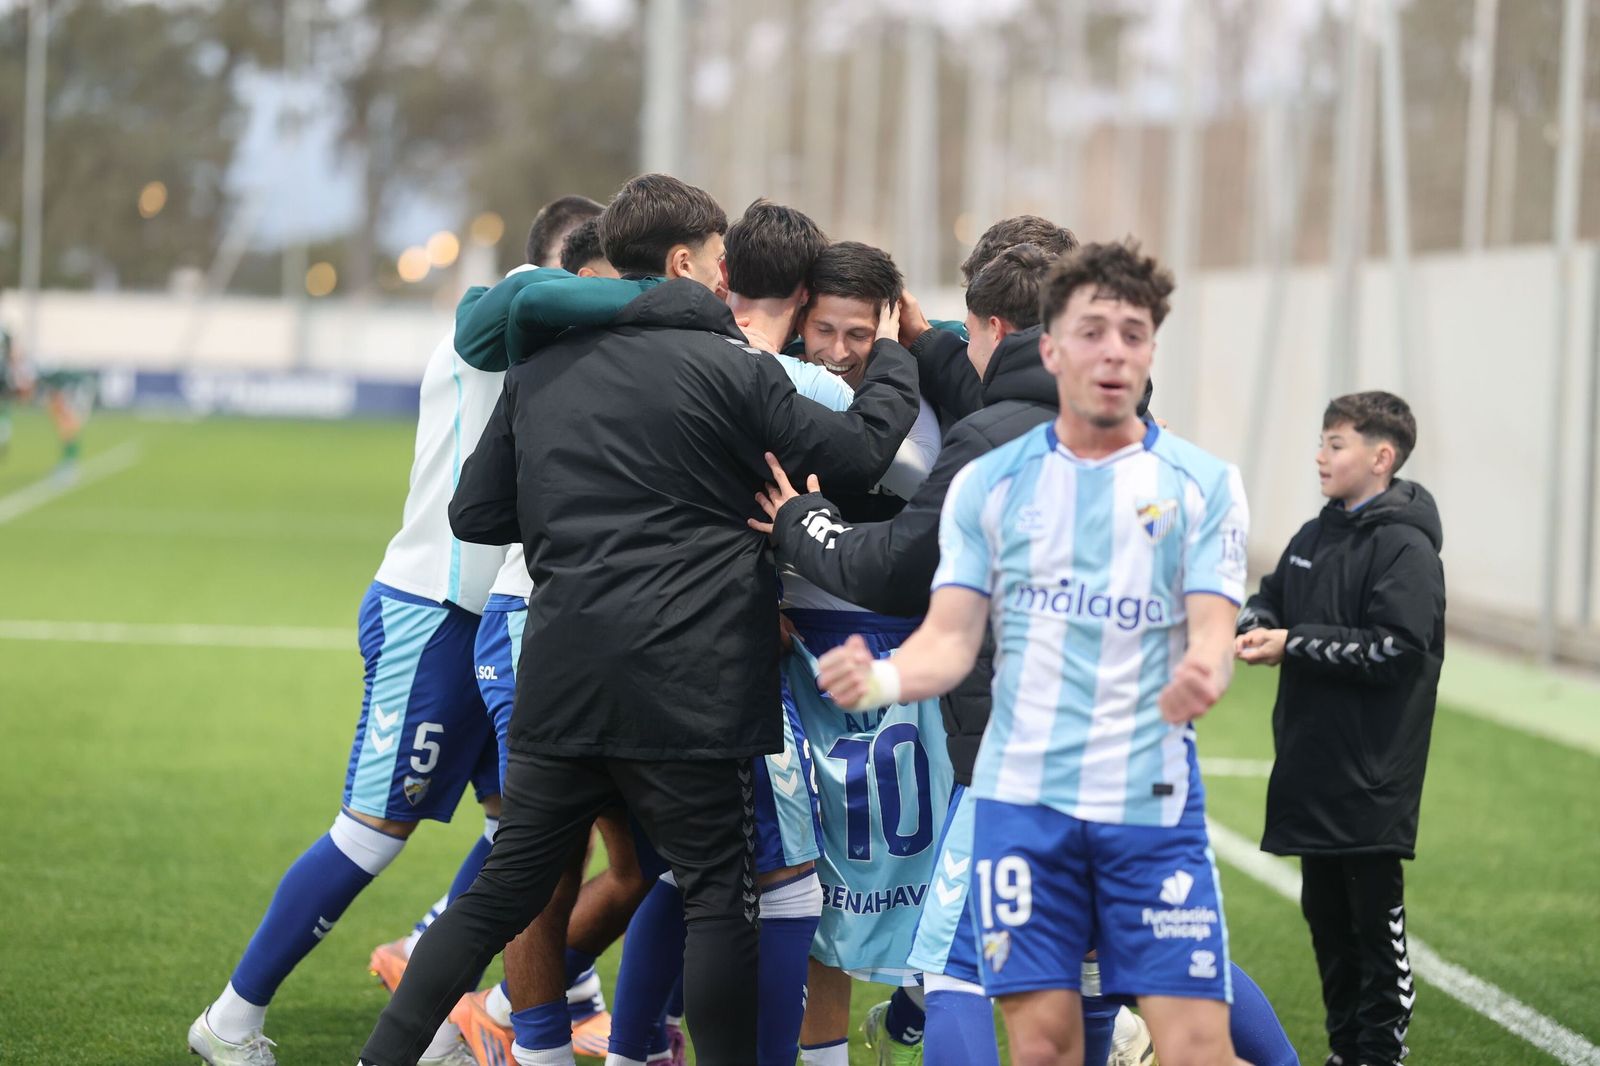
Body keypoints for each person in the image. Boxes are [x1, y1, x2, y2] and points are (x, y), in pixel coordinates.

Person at [355, 172, 920, 1066]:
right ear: (687, 260)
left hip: (564, 677)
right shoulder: (737, 368)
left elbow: (477, 516)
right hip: (694, 693)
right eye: (721, 260)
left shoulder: (543, 366)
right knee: (717, 901)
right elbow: (857, 454)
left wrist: (578, 522)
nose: (729, 279)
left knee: (499, 895)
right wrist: (892, 356)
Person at [187, 195, 605, 1066]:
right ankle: (229, 1020)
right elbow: (523, 301)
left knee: (525, 839)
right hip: (433, 611)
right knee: (373, 833)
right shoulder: (506, 307)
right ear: (560, 267)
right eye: (595, 283)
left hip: (502, 622)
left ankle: (444, 983)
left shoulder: (557, 336)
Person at [815, 241, 1251, 1066]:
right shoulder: (990, 475)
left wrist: (1206, 663)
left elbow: (1212, 625)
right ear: (1051, 347)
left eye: (1133, 333)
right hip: (1027, 782)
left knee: (1187, 1026)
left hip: (1143, 793)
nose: (1113, 353)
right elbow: (948, 634)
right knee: (1041, 1017)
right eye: (1094, 332)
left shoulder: (1200, 482)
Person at [1236, 390, 1444, 1066]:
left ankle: (1378, 1055)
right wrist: (1253, 622)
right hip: (1310, 769)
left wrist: (1291, 643)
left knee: (1373, 928)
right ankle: (1345, 1052)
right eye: (1322, 442)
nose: (1320, 456)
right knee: (1325, 923)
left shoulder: (1406, 548)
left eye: (1336, 444)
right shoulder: (1316, 532)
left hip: (1372, 779)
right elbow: (1270, 595)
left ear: (1381, 458)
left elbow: (1397, 649)